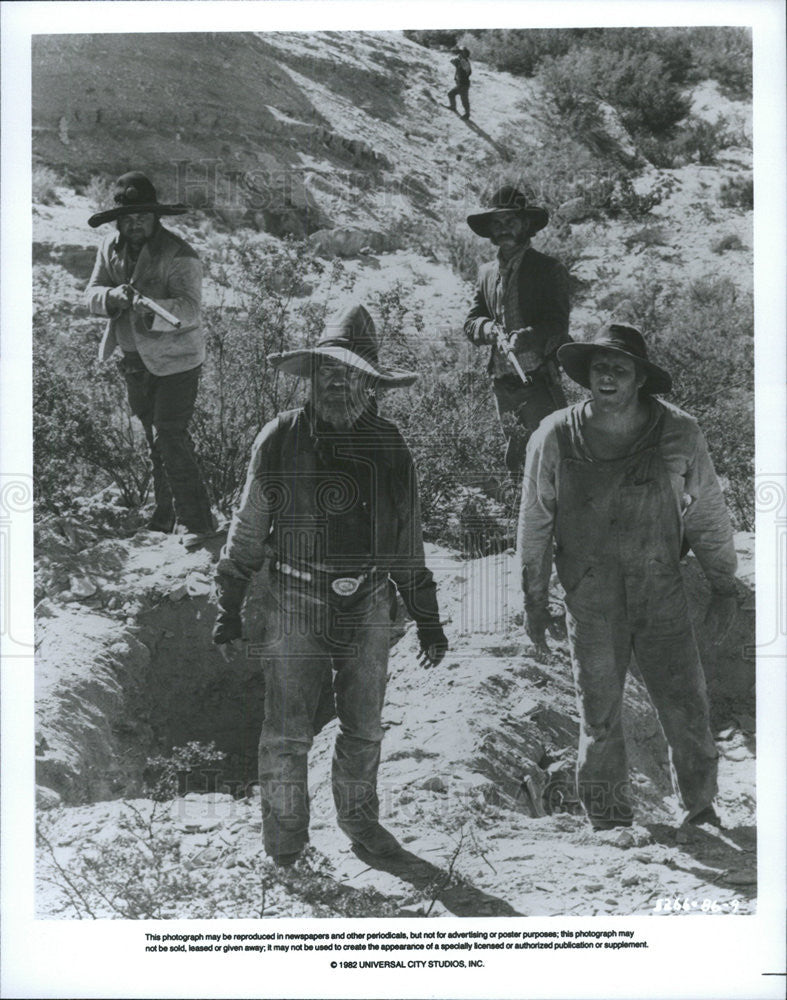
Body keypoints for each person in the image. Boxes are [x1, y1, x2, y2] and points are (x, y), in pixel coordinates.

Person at [212, 304, 448, 866]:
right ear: (311, 376)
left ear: (371, 385)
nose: (338, 385)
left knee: (364, 726)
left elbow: (405, 540)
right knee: (287, 733)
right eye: (328, 373)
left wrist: (428, 617)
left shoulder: (390, 445)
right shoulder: (280, 437)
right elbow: (248, 527)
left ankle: (360, 822)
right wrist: (229, 604)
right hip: (293, 597)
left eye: (351, 376)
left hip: (367, 599)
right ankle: (286, 845)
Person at [517, 324, 738, 833]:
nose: (608, 377)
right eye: (600, 368)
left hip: (661, 591)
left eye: (620, 368)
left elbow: (706, 513)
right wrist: (533, 598)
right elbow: (535, 520)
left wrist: (724, 585)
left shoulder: (680, 431)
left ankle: (700, 809)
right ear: (586, 377)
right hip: (590, 598)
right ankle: (609, 819)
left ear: (640, 379)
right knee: (599, 714)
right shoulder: (553, 434)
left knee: (686, 704)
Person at [85, 170, 216, 543]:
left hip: (178, 360)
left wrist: (149, 308)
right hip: (133, 359)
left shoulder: (180, 254)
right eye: (128, 218)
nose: (135, 224)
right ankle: (165, 515)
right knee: (154, 440)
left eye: (142, 217)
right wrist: (111, 298)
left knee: (171, 435)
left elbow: (189, 309)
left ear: (155, 217)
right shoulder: (108, 247)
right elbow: (92, 291)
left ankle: (198, 523)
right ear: (119, 220)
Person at [464, 184, 572, 474]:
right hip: (503, 384)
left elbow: (558, 324)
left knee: (551, 457)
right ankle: (520, 515)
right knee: (515, 460)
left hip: (538, 381)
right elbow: (472, 320)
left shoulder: (549, 270)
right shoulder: (486, 272)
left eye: (510, 221)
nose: (503, 229)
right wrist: (487, 329)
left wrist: (529, 338)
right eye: (496, 223)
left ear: (526, 224)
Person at [447, 46, 472, 120]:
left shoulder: (463, 62)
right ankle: (454, 107)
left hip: (463, 84)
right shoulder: (464, 61)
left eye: (461, 52)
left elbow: (452, 61)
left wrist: (458, 61)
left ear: (464, 54)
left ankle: (465, 113)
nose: (459, 53)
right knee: (462, 99)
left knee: (453, 95)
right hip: (463, 83)